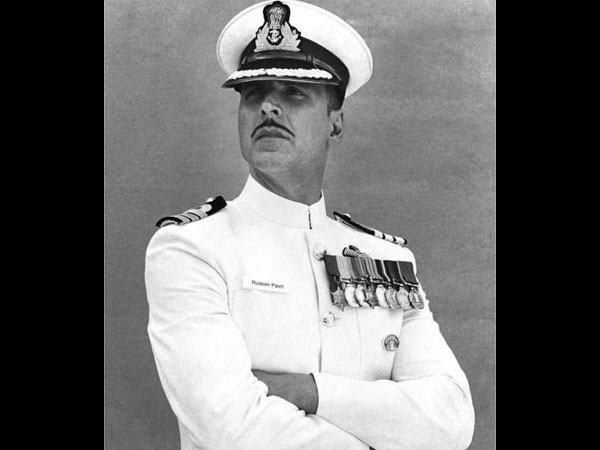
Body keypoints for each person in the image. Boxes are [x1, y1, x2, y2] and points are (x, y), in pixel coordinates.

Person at [145, 1, 475, 449]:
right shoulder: (192, 249)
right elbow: (230, 426)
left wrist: (307, 390)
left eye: (295, 93)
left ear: (335, 123)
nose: (268, 107)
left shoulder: (388, 260)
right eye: (253, 93)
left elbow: (450, 421)